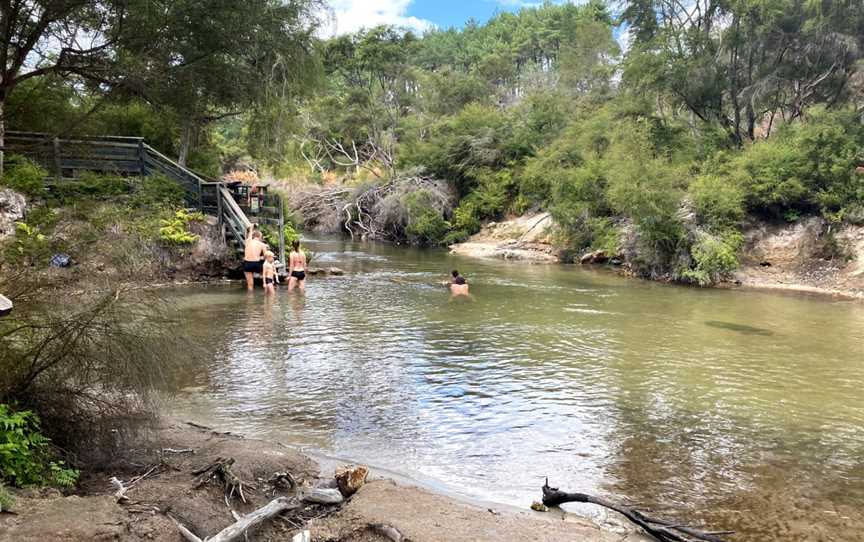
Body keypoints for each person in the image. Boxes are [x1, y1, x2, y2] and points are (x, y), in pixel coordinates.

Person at [243, 225, 268, 291]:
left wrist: (251, 228)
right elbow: (266, 256)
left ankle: (250, 299)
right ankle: (267, 289)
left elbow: (249, 234)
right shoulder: (262, 244)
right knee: (266, 275)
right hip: (256, 263)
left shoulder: (248, 241)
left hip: (247, 264)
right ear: (260, 236)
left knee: (250, 285)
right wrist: (260, 257)